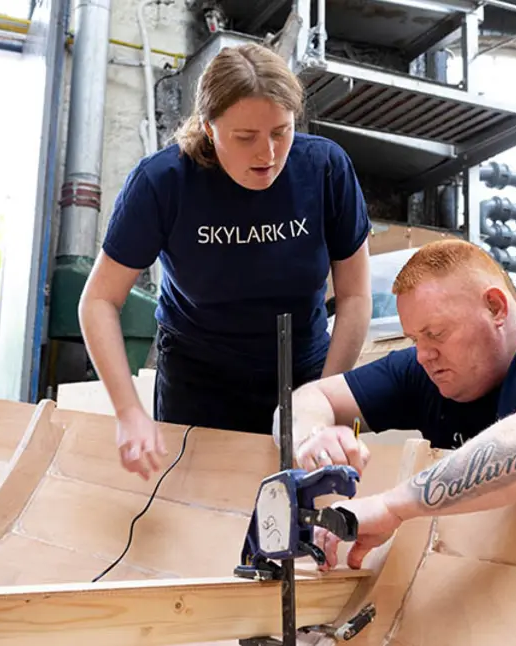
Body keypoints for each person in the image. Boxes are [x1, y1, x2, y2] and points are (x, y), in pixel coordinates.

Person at [79, 42, 373, 481]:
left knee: (299, 512)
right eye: (245, 137)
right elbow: (98, 301)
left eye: (281, 132)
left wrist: (325, 401)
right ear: (208, 126)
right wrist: (128, 412)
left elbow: (354, 296)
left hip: (304, 373)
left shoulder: (325, 169)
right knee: (198, 509)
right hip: (200, 378)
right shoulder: (163, 182)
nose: (268, 155)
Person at [276, 239, 516, 571]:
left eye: (437, 334)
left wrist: (392, 507)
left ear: (495, 308)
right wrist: (312, 440)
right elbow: (306, 400)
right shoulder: (425, 367)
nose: (424, 355)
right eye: (414, 339)